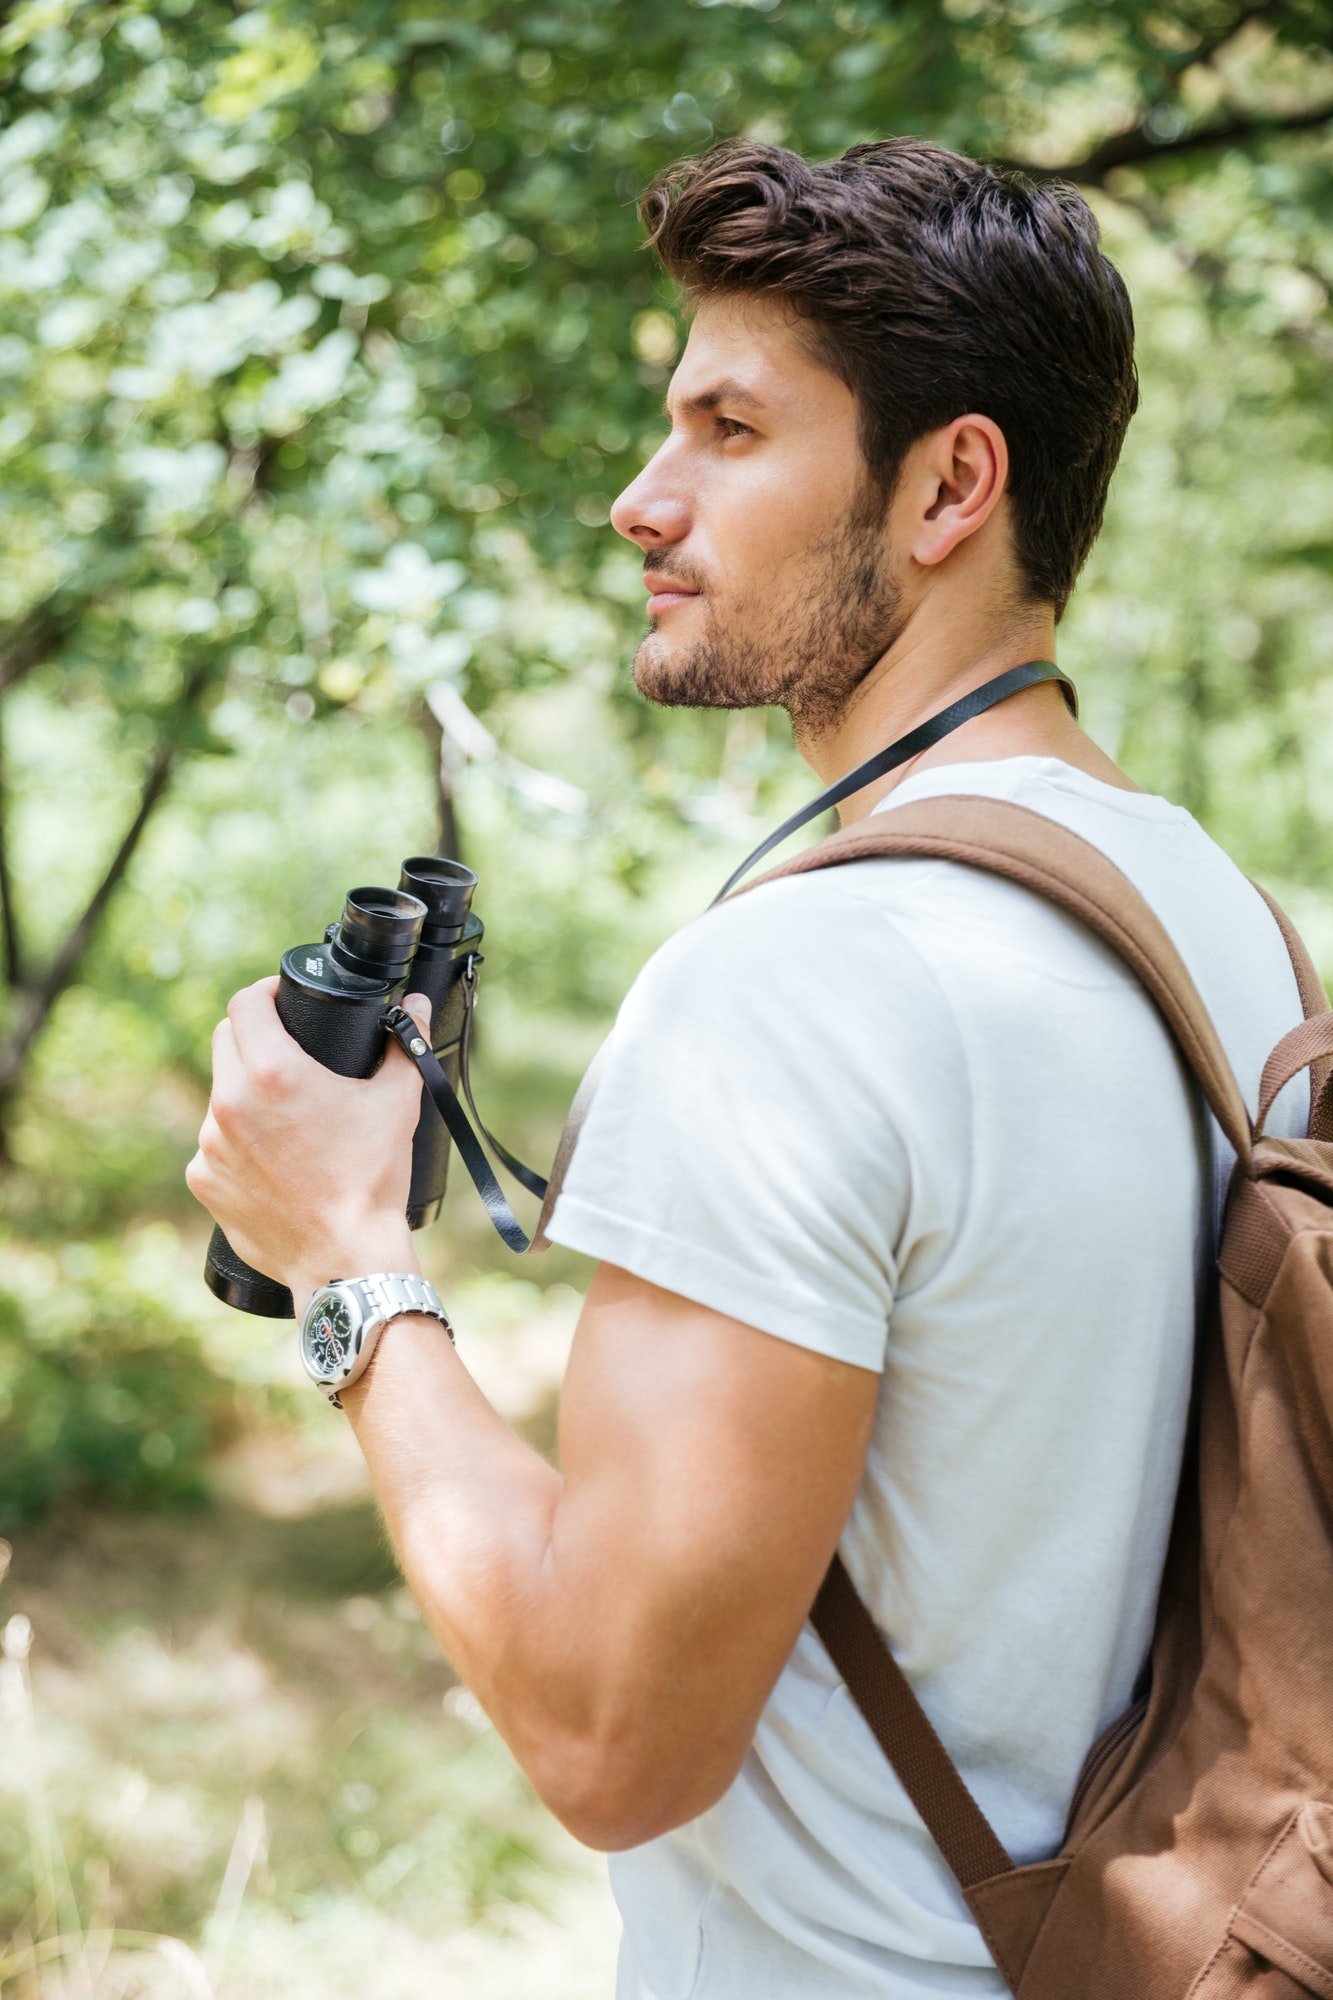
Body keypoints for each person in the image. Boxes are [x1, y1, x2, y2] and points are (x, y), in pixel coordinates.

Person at [187, 139, 1308, 1998]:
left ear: (952, 482)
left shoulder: (798, 985)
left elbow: (607, 1737)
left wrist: (342, 1269)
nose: (640, 501)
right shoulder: (1221, 919)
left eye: (728, 431)